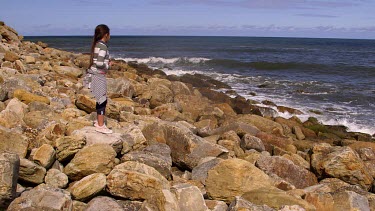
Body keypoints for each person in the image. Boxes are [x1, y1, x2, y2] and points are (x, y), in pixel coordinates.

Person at [87, 24, 113, 134]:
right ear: (106, 35)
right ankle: (101, 125)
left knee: (100, 99)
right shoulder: (103, 46)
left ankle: (99, 122)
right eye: (109, 34)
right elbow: (99, 63)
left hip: (94, 74)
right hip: (98, 75)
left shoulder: (97, 45)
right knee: (102, 101)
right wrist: (109, 65)